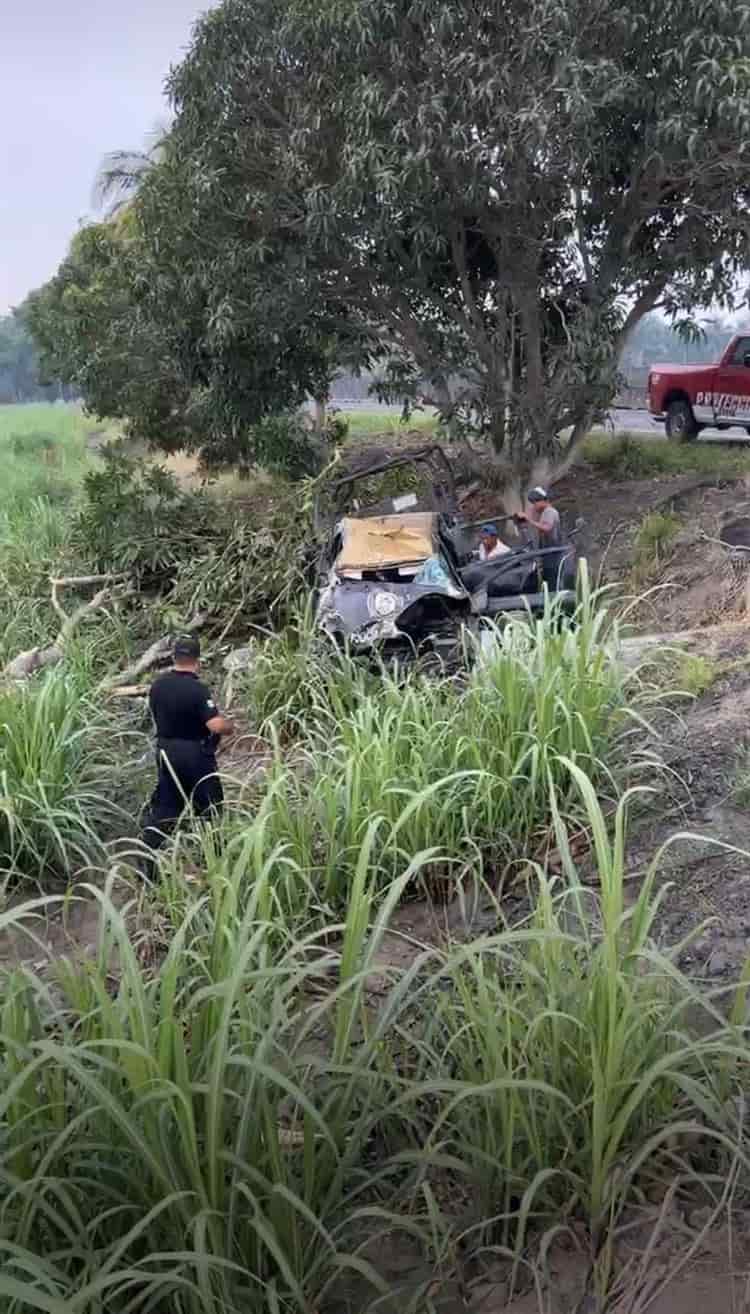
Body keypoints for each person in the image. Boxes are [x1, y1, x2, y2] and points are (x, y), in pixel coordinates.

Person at [141, 635, 233, 872]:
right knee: (210, 807)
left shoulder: (158, 686)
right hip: (195, 754)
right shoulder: (198, 689)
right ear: (197, 661)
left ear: (173, 657)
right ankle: (214, 864)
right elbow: (214, 725)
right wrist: (228, 726)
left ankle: (147, 862)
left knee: (167, 806)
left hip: (165, 751)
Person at [514, 488, 564, 588]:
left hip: (553, 554)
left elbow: (547, 528)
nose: (534, 505)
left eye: (535, 502)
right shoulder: (544, 513)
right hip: (548, 554)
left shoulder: (550, 511)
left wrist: (529, 520)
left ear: (542, 500)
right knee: (548, 583)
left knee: (553, 583)